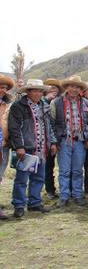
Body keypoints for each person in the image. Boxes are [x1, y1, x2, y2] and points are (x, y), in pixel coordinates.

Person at [8, 79, 57, 218]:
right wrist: (19, 146)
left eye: (39, 91)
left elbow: (50, 127)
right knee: (22, 179)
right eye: (34, 90)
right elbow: (14, 128)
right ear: (28, 92)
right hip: (27, 148)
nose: (37, 93)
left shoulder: (44, 106)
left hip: (42, 148)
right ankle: (19, 205)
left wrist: (52, 142)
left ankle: (34, 203)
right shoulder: (18, 106)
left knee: (39, 177)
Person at [50, 75, 88, 207]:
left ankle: (78, 195)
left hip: (80, 141)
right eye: (72, 86)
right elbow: (52, 123)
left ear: (80, 89)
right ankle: (64, 196)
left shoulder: (86, 103)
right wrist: (54, 142)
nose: (74, 89)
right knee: (64, 170)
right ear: (67, 87)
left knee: (78, 170)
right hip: (63, 141)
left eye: (77, 87)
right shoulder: (56, 102)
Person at [43, 78, 63, 199]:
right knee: (48, 165)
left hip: (60, 137)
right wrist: (46, 100)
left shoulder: (60, 102)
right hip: (44, 139)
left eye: (55, 87)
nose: (52, 90)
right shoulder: (41, 101)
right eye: (50, 87)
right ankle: (50, 190)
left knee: (63, 166)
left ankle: (66, 189)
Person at [0, 74, 14, 220]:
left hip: (3, 145)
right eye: (0, 87)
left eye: (4, 87)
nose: (2, 90)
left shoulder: (7, 104)